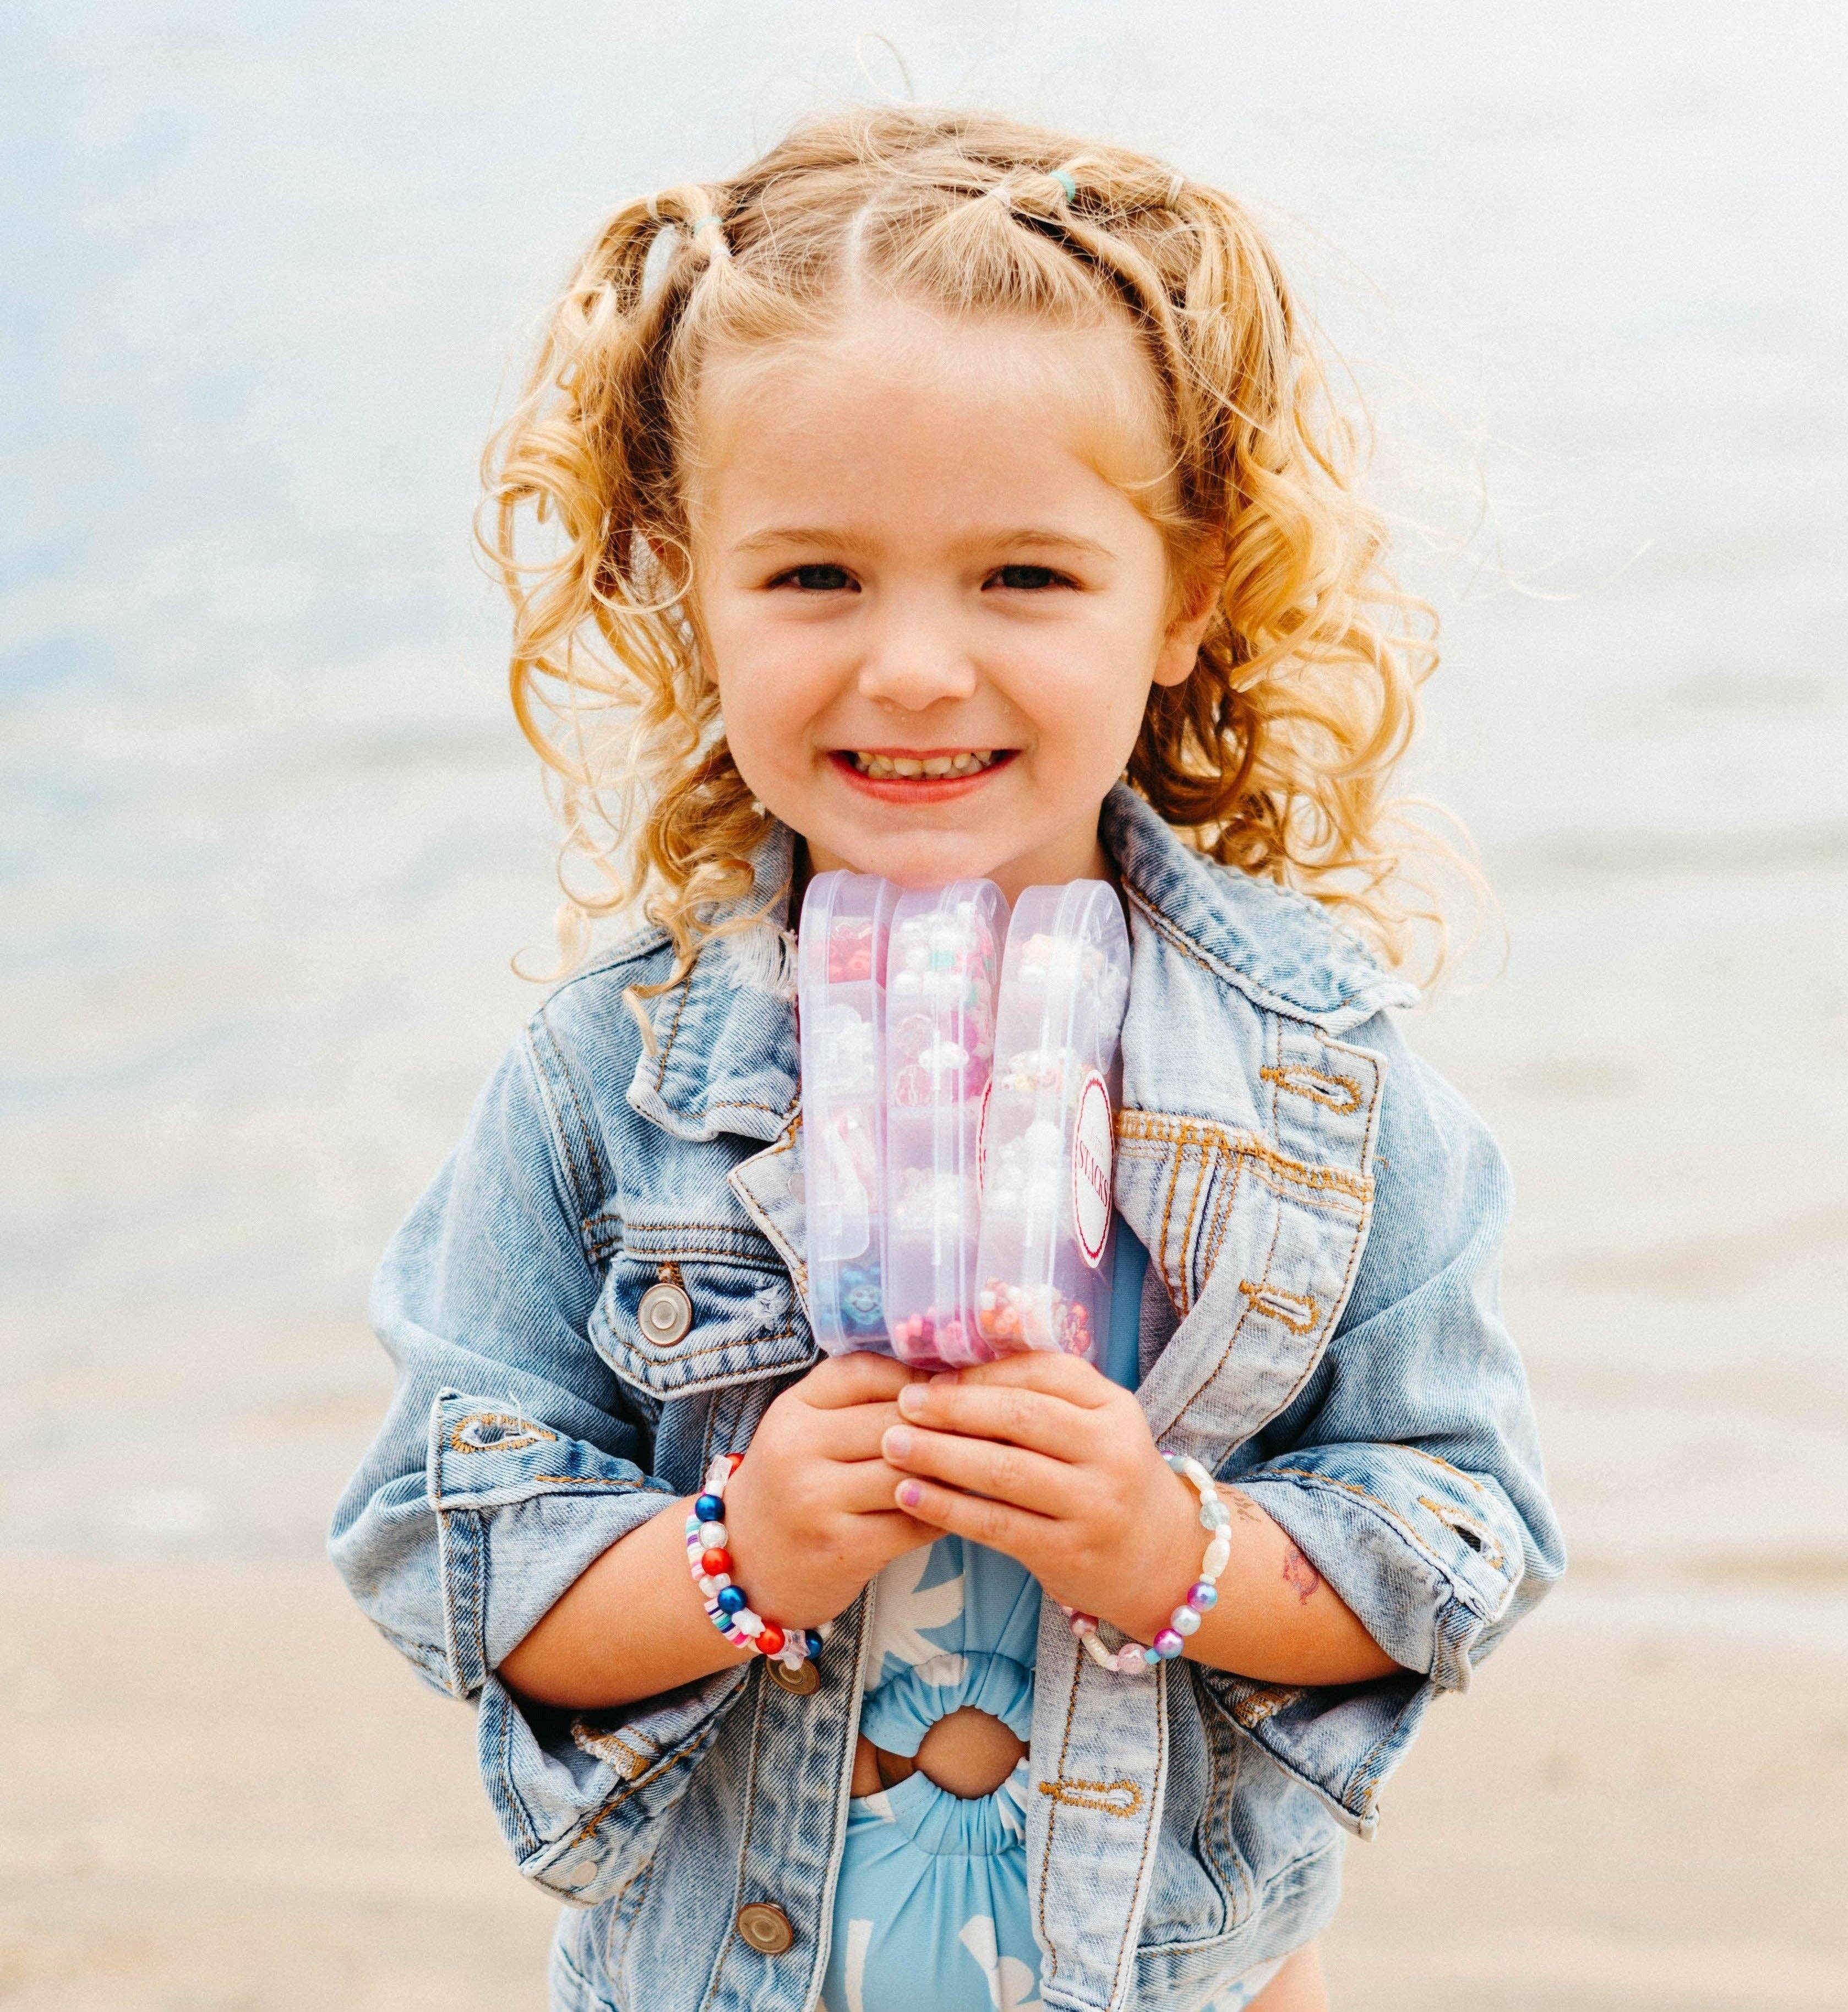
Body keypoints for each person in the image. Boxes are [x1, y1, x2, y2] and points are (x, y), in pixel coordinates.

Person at [330, 106, 1563, 2012]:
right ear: (683, 578)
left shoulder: (1330, 1087)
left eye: (1026, 579)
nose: (912, 665)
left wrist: (1175, 1547)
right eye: (815, 576)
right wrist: (735, 1557)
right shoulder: (608, 1088)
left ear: (1192, 590)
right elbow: (450, 1558)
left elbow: (1460, 1544)